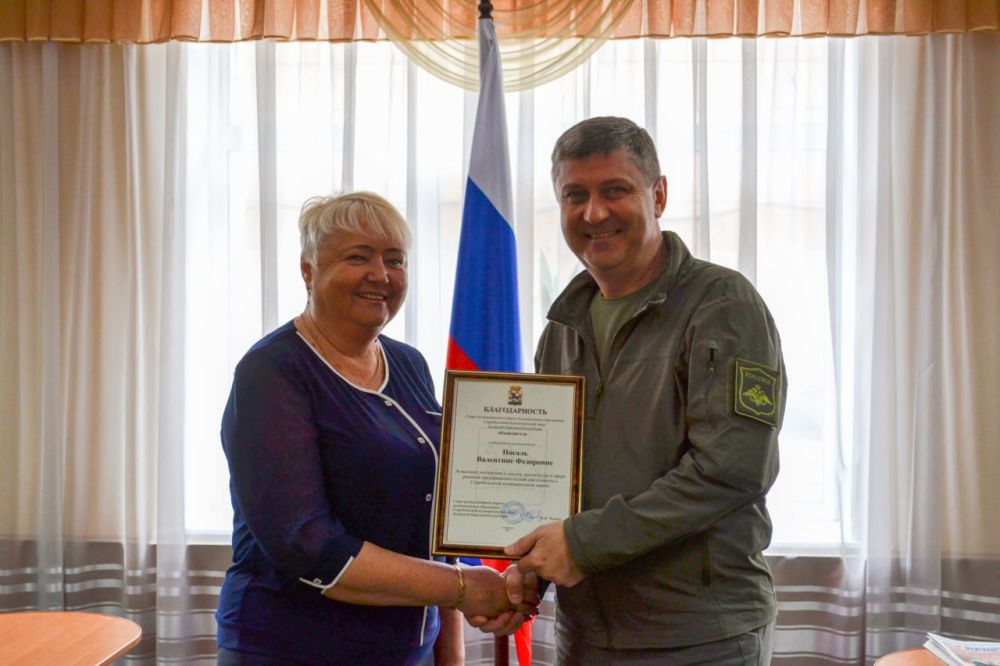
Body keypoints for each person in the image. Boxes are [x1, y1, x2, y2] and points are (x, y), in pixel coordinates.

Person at [480, 116, 786, 664]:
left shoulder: (722, 304)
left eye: (614, 190)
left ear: (658, 195)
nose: (594, 213)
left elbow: (733, 469)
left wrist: (582, 544)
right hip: (586, 633)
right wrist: (528, 573)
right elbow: (553, 481)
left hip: (697, 637)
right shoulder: (562, 328)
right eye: (575, 195)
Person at [216, 192, 530, 665]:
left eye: (394, 260)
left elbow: (437, 526)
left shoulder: (408, 364)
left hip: (408, 649)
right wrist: (464, 586)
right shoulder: (272, 371)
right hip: (292, 649)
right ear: (308, 270)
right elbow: (307, 543)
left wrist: (452, 652)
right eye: (357, 257)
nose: (381, 274)